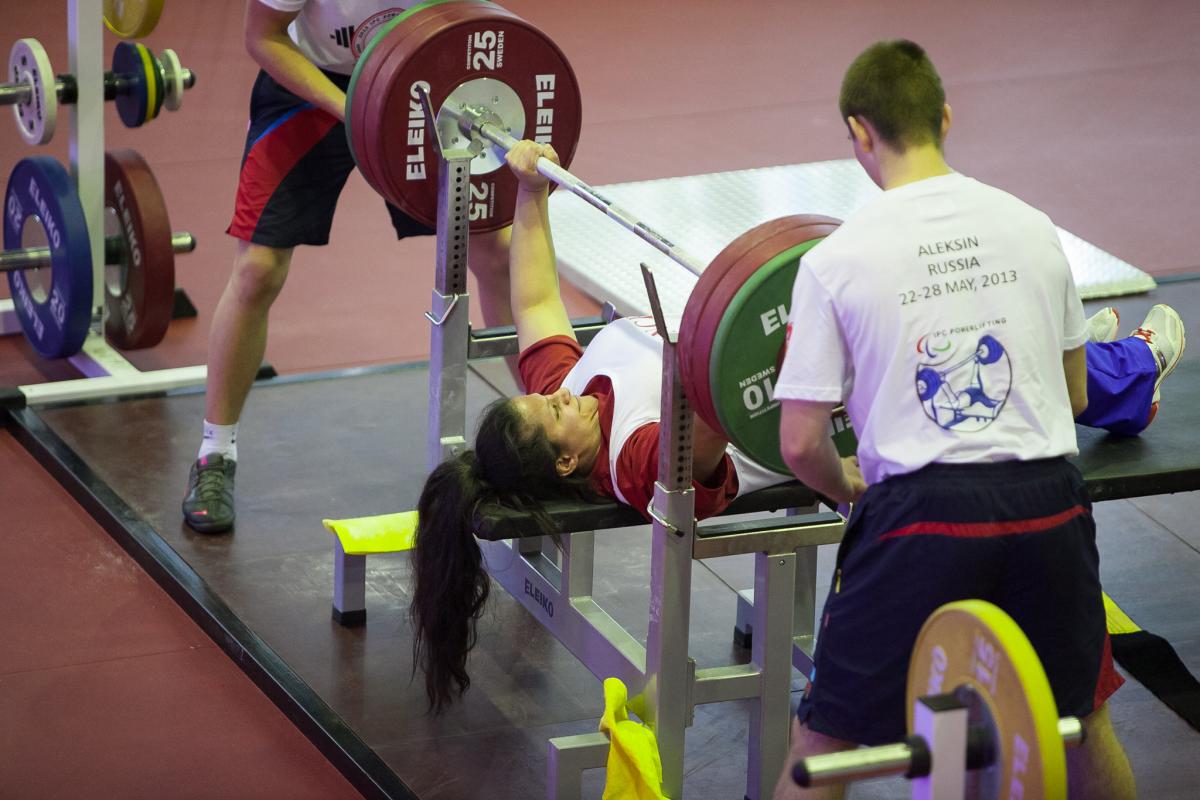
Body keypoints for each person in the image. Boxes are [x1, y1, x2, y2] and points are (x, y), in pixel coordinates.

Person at [770, 40, 1178, 799]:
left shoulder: (833, 259)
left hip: (918, 519)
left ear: (860, 132)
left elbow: (800, 442)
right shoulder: (1033, 225)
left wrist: (850, 484)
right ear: (946, 118)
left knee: (824, 743)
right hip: (1049, 505)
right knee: (1082, 724)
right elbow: (1078, 398)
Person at [180, 0, 513, 534]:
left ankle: (547, 442)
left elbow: (486, 32)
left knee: (497, 254)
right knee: (258, 270)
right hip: (313, 88)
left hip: (421, 86)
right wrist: (352, 107)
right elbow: (262, 36)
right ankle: (214, 455)